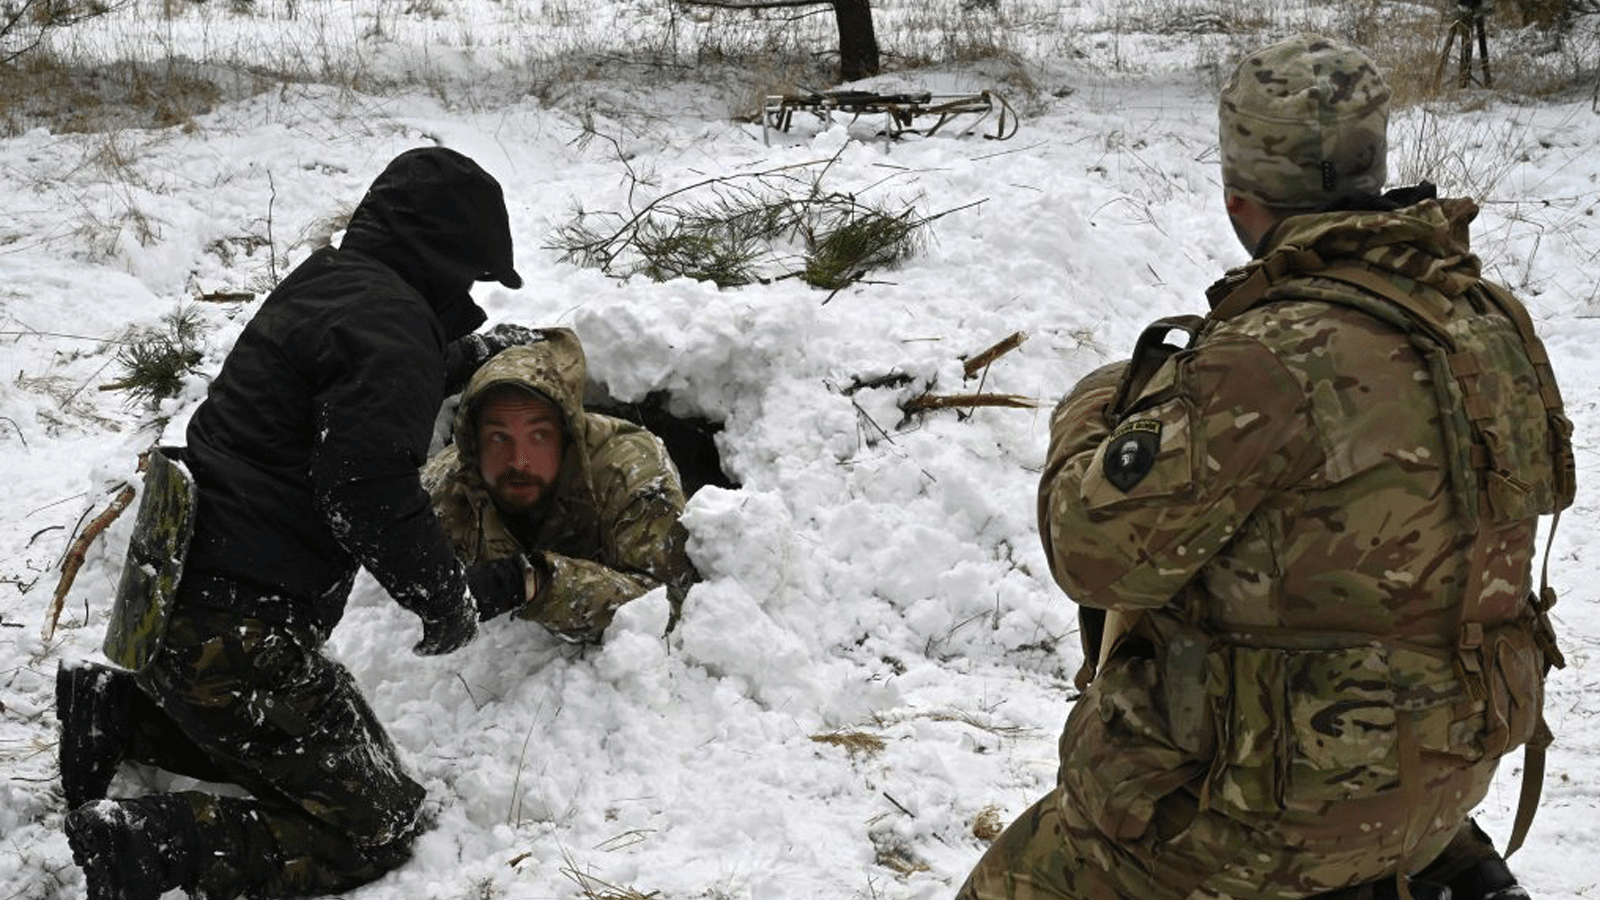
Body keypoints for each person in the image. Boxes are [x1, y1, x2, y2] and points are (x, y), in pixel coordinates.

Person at [955, 34, 1572, 900]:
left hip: (1272, 819)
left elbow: (1092, 556)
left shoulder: (1267, 355)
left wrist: (1092, 411)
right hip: (1438, 783)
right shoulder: (1483, 316)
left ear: (1239, 200)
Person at [56, 147, 540, 900]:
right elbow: (365, 491)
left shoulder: (329, 284)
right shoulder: (395, 329)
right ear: (445, 259)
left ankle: (119, 714)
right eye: (473, 273)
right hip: (242, 635)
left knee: (318, 759)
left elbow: (355, 380)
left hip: (178, 606)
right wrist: (446, 598)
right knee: (378, 825)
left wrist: (462, 356)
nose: (470, 291)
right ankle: (153, 844)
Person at [422, 327, 697, 641]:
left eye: (538, 437)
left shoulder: (630, 472)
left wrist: (533, 582)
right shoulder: (446, 487)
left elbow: (668, 607)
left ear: (567, 438)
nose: (518, 460)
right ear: (473, 445)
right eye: (498, 438)